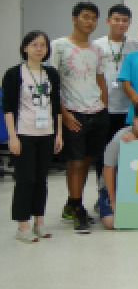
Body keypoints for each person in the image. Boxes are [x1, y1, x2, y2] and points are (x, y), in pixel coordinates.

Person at [50, 2, 108, 234]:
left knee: (86, 161)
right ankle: (76, 207)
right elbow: (52, 84)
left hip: (96, 112)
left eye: (93, 18)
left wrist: (103, 106)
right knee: (74, 162)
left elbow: (100, 80)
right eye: (85, 17)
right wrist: (63, 113)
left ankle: (72, 203)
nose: (89, 22)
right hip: (72, 112)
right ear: (74, 18)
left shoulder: (97, 50)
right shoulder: (58, 46)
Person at [4, 31, 63, 242]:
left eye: (43, 45)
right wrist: (12, 136)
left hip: (47, 133)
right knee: (25, 179)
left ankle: (39, 222)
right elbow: (8, 108)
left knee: (41, 180)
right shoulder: (14, 73)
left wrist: (59, 134)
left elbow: (56, 106)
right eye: (34, 44)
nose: (39, 49)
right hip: (24, 133)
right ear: (25, 48)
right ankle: (23, 226)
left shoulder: (51, 74)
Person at [98, 101, 138, 230]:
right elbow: (108, 168)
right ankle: (104, 202)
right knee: (111, 222)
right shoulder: (120, 138)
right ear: (133, 119)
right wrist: (113, 201)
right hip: (115, 185)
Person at [92, 4, 138, 155]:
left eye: (125, 20)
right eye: (116, 19)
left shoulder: (136, 45)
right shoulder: (96, 45)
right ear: (108, 21)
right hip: (103, 106)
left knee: (127, 150)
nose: (120, 23)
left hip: (128, 107)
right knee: (104, 149)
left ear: (129, 23)